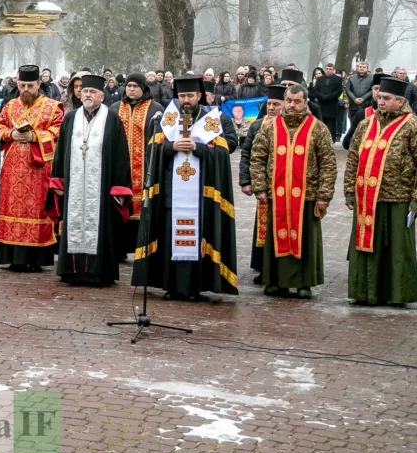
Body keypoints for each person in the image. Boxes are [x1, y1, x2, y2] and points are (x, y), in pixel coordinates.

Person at [132, 75, 238, 301]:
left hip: (200, 194)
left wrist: (199, 148)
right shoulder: (168, 119)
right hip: (172, 193)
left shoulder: (212, 121)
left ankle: (194, 288)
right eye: (182, 96)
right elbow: (153, 147)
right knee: (171, 236)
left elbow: (223, 152)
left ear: (199, 96)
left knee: (197, 236)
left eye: (190, 95)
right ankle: (172, 286)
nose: (186, 100)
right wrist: (171, 146)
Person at [344, 76, 417, 306]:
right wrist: (349, 192)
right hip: (366, 199)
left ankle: (396, 294)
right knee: (367, 246)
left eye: (386, 98)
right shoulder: (366, 124)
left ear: (400, 101)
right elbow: (353, 159)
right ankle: (365, 292)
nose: (380, 102)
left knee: (396, 249)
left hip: (399, 198)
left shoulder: (415, 126)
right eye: (379, 97)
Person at [249, 84, 337, 298]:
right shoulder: (271, 126)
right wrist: (259, 187)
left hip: (306, 195)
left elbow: (328, 163)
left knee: (305, 240)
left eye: (297, 101)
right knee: (274, 239)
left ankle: (304, 283)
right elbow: (257, 157)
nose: (292, 105)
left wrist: (324, 195)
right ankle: (275, 281)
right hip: (276, 194)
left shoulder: (317, 128)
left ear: (305, 102)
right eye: (289, 100)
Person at [50, 74, 131, 286]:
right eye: (84, 91)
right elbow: (60, 153)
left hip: (101, 187)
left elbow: (122, 156)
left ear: (101, 96)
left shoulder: (112, 119)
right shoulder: (71, 118)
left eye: (92, 92)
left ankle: (98, 272)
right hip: (75, 184)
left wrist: (119, 188)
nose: (87, 94)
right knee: (73, 220)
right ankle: (72, 271)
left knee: (101, 225)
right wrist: (57, 181)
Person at [0, 65, 64, 271]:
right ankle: (13, 257)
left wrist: (34, 136)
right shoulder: (10, 105)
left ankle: (35, 259)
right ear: (17, 84)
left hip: (38, 171)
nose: (25, 89)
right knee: (10, 207)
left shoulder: (53, 107)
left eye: (30, 85)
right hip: (12, 169)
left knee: (37, 210)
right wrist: (10, 135)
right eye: (22, 85)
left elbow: (58, 132)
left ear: (39, 85)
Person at [109, 73, 164, 258]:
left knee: (145, 208)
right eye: (128, 85)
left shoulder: (155, 109)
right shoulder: (115, 108)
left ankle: (143, 248)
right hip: (120, 167)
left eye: (135, 86)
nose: (131, 89)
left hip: (146, 166)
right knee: (119, 205)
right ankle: (119, 249)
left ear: (143, 87)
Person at [240, 84, 285, 284]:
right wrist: (246, 181)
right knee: (264, 226)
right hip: (264, 186)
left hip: (287, 184)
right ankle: (263, 266)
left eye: (277, 104)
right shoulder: (258, 125)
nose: (272, 108)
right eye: (269, 104)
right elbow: (247, 153)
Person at [343, 72, 383, 150]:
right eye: (376, 88)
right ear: (371, 91)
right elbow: (347, 142)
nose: (378, 92)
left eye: (382, 89)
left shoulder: (397, 116)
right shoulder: (362, 114)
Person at [312, 63, 344, 141]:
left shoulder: (338, 79)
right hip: (321, 104)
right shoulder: (319, 79)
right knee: (321, 122)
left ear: (333, 70)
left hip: (332, 105)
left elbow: (339, 91)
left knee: (331, 124)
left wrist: (329, 97)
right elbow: (316, 90)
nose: (328, 70)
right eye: (327, 69)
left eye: (330, 69)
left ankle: (330, 140)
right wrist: (322, 96)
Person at [345, 60, 373, 127]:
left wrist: (363, 98)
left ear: (367, 69)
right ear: (357, 68)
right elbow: (348, 89)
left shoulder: (372, 77)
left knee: (364, 125)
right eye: (360, 67)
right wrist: (354, 99)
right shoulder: (351, 77)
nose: (362, 68)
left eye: (364, 67)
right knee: (353, 124)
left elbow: (372, 90)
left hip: (366, 105)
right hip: (353, 105)